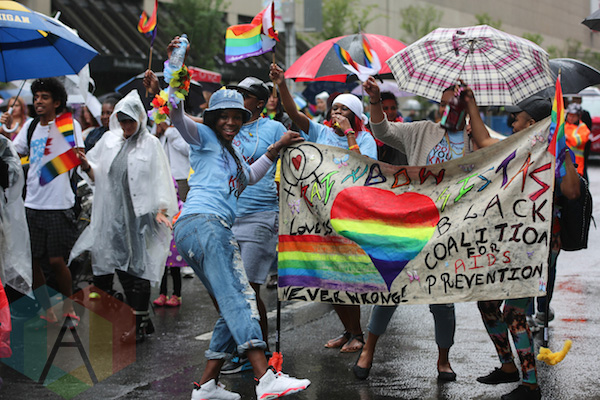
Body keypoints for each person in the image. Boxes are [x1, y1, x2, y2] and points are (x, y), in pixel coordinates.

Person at [167, 36, 310, 400]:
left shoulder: (232, 155)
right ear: (213, 118)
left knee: (229, 299)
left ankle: (207, 385)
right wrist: (177, 62)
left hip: (195, 230)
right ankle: (265, 378)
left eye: (236, 117)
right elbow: (174, 112)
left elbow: (253, 174)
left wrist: (276, 148)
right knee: (241, 295)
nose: (230, 122)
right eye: (224, 116)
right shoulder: (203, 137)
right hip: (206, 223)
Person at [357, 77, 490, 381]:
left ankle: (443, 360)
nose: (447, 110)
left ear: (466, 108)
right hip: (411, 224)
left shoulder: (476, 139)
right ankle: (368, 350)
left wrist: (475, 127)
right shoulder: (421, 131)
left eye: (453, 105)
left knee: (442, 299)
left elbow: (497, 160)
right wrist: (375, 99)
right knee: (391, 288)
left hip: (449, 231)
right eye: (442, 105)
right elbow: (382, 130)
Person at [472, 96, 580, 400]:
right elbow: (483, 140)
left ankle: (531, 385)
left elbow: (572, 191)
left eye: (516, 118)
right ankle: (508, 367)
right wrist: (469, 105)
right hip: (513, 242)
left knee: (514, 312)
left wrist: (562, 150)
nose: (511, 123)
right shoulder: (518, 147)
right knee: (487, 303)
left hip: (539, 246)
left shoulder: (557, 151)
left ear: (531, 123)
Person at [271, 63, 378, 354]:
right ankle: (350, 331)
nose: (336, 113)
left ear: (355, 116)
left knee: (346, 277)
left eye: (343, 110)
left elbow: (364, 170)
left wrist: (350, 135)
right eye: (334, 109)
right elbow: (294, 114)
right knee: (328, 277)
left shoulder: (365, 139)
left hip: (350, 216)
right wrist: (282, 84)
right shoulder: (320, 132)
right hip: (320, 216)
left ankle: (358, 334)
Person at [74, 90, 178, 343]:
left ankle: (137, 323)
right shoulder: (109, 141)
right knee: (119, 266)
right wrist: (86, 165)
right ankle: (140, 317)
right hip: (114, 216)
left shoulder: (150, 144)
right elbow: (97, 174)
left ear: (140, 118)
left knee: (139, 268)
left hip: (142, 216)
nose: (126, 125)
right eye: (121, 120)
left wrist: (162, 209)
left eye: (130, 120)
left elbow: (161, 177)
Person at [216, 77, 288, 374]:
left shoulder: (274, 128)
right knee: (228, 288)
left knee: (247, 288)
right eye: (236, 93)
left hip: (261, 215)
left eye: (245, 95)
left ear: (260, 102)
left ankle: (256, 351)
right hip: (227, 215)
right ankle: (246, 346)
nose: (238, 97)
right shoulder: (225, 125)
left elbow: (299, 156)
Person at [12, 78, 84, 327]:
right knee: (33, 262)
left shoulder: (68, 124)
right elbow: (14, 153)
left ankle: (68, 308)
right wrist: (4, 130)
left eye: (44, 97)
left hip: (59, 205)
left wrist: (70, 160)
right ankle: (47, 310)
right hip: (32, 205)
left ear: (57, 102)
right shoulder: (30, 126)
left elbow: (79, 157)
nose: (38, 101)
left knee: (56, 261)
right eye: (36, 97)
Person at [377, 92, 408, 165]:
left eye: (393, 108)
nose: (390, 112)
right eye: (385, 108)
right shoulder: (370, 131)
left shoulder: (402, 129)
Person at [564, 102, 590, 178]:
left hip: (576, 165)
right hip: (562, 163)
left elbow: (577, 142)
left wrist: (566, 137)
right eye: (569, 115)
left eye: (573, 116)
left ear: (579, 116)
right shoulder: (563, 125)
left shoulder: (583, 128)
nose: (570, 118)